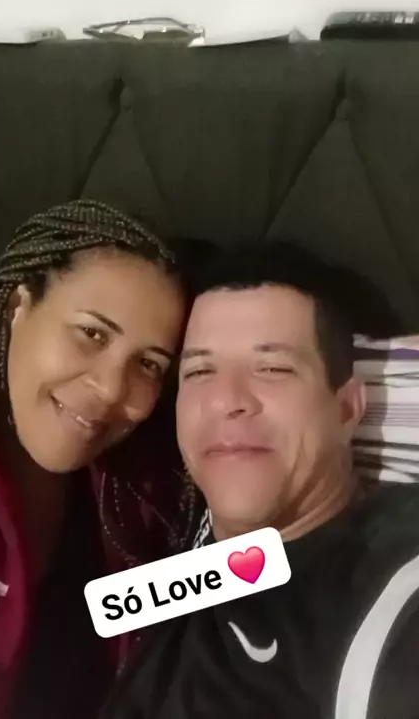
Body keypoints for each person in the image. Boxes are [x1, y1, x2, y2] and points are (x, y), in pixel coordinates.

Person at [101, 242, 419, 719]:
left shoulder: (392, 596)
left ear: (347, 409)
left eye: (273, 368)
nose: (226, 400)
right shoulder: (200, 551)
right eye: (200, 370)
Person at [0, 199, 197, 719]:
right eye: (91, 334)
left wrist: (282, 545)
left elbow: (210, 584)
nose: (111, 389)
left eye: (148, 364)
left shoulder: (132, 500)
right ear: (19, 304)